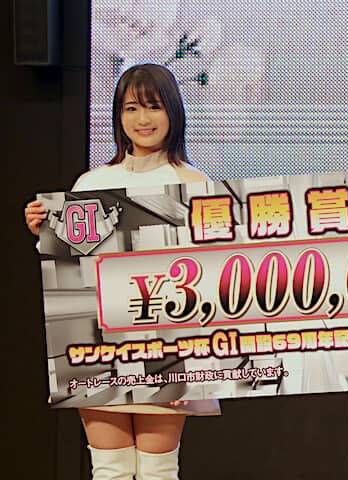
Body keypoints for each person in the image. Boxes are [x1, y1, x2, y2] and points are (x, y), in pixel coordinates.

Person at [25, 63, 216, 480]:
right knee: (109, 470)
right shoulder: (92, 183)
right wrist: (45, 233)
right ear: (118, 115)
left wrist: (195, 363)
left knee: (157, 471)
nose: (143, 119)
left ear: (173, 112)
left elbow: (208, 280)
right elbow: (73, 270)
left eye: (154, 106)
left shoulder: (195, 184)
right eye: (131, 108)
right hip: (99, 343)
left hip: (167, 346)